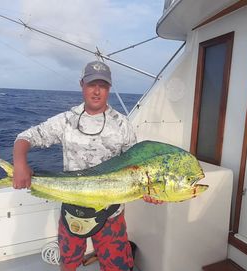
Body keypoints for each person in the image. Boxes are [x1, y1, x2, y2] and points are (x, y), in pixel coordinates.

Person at [12, 60, 161, 271]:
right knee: (68, 264)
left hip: (111, 214)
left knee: (117, 267)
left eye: (103, 85)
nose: (97, 91)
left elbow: (134, 168)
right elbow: (25, 137)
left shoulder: (122, 124)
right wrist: (19, 164)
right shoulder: (66, 120)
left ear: (109, 88)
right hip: (73, 208)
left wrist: (150, 189)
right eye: (92, 84)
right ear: (82, 84)